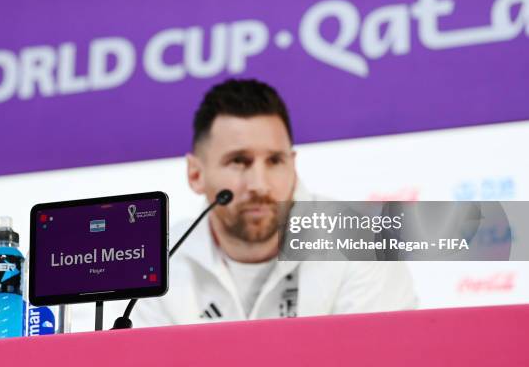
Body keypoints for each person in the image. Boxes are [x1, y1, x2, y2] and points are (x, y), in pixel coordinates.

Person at [132, 79, 416, 326]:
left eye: (274, 161)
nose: (259, 184)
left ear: (292, 165)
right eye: (238, 162)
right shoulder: (157, 263)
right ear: (195, 174)